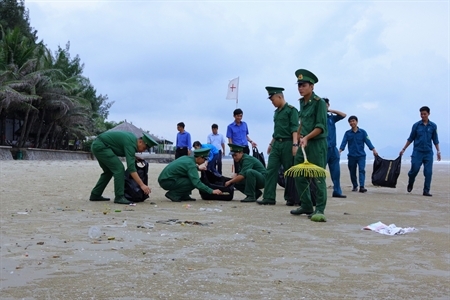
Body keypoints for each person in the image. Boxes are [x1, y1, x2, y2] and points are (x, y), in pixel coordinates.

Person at [289, 69, 328, 222]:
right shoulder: (302, 103)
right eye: (299, 85)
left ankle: (319, 208)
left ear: (312, 86)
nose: (300, 88)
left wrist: (307, 138)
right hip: (304, 144)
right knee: (298, 172)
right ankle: (306, 205)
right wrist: (298, 139)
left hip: (317, 144)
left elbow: (320, 127)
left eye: (303, 85)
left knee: (318, 176)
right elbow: (302, 123)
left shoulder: (320, 103)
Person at [256, 86, 299, 206]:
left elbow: (294, 129)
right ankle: (269, 197)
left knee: (289, 171)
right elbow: (276, 130)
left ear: (280, 97)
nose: (272, 103)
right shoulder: (276, 113)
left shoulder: (291, 110)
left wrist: (295, 144)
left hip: (288, 143)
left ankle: (291, 197)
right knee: (270, 170)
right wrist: (271, 143)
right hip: (277, 144)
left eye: (273, 100)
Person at [90, 131, 158, 204]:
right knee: (119, 169)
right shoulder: (131, 144)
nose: (142, 151)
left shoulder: (132, 140)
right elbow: (131, 168)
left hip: (98, 145)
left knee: (108, 172)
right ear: (140, 142)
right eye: (144, 148)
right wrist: (142, 185)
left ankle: (95, 194)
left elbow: (122, 148)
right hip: (101, 147)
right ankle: (119, 197)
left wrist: (133, 157)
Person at [400, 106, 441, 196]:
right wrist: (403, 149)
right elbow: (410, 138)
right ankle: (411, 182)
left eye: (424, 114)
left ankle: (426, 190)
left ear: (429, 114)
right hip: (417, 152)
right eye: (421, 114)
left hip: (428, 153)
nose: (422, 116)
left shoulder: (433, 126)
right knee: (414, 170)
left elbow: (435, 140)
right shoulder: (416, 125)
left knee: (428, 172)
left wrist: (438, 151)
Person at [158, 148, 223, 202]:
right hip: (167, 181)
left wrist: (197, 168)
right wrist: (212, 191)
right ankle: (173, 194)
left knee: (190, 178)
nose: (204, 161)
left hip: (165, 179)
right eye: (204, 159)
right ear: (199, 158)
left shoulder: (187, 158)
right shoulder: (191, 165)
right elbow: (197, 183)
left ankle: (184, 195)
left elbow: (185, 168)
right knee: (193, 182)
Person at [339, 115, 378, 193]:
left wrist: (373, 150)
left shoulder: (363, 132)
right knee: (352, 171)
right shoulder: (347, 133)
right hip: (351, 156)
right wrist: (340, 151)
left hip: (361, 156)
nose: (352, 123)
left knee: (362, 170)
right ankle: (355, 185)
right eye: (350, 121)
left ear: (357, 122)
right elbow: (344, 142)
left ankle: (362, 186)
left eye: (353, 121)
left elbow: (368, 142)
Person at [323, 98, 347, 198]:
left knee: (336, 172)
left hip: (333, 149)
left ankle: (337, 191)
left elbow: (344, 115)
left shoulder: (331, 118)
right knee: (320, 172)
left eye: (325, 105)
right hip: (322, 148)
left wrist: (330, 110)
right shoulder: (317, 117)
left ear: (328, 105)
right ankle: (320, 192)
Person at [226, 108, 257, 173]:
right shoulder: (230, 127)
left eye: (241, 116)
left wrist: (251, 141)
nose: (239, 117)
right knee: (237, 166)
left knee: (246, 164)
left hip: (245, 147)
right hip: (237, 149)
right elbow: (230, 139)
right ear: (234, 116)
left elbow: (245, 135)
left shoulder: (244, 124)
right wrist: (232, 150)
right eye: (238, 116)